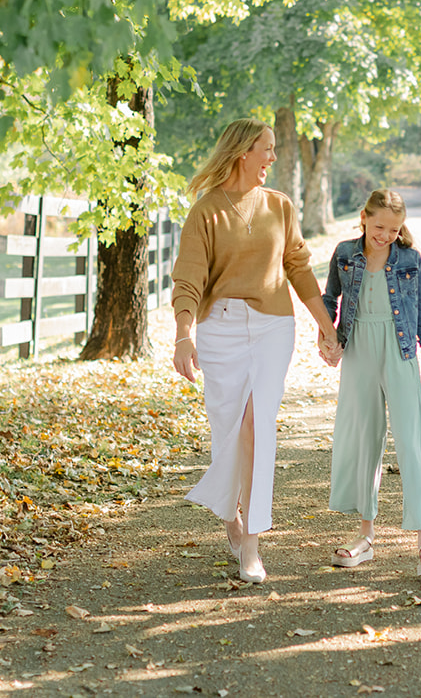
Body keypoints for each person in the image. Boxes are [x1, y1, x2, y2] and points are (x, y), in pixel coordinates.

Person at [171, 118, 339, 585]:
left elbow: (299, 269)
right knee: (229, 429)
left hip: (272, 326)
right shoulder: (206, 211)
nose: (272, 158)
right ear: (243, 151)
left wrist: (327, 327)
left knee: (256, 424)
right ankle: (231, 516)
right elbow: (188, 279)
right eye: (266, 149)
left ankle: (252, 542)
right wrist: (184, 334)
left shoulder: (279, 206)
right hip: (219, 329)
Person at [320, 189, 421, 576]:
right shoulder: (344, 254)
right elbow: (328, 301)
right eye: (379, 226)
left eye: (394, 229)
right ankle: (365, 536)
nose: (385, 235)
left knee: (412, 439)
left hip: (399, 349)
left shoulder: (409, 259)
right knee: (362, 438)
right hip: (358, 350)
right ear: (364, 218)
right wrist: (327, 338)